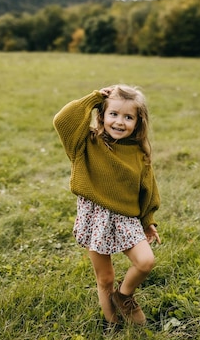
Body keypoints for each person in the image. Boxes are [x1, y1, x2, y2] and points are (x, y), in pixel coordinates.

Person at [53, 84, 161, 326]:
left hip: (126, 218)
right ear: (101, 115)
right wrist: (94, 97)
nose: (119, 122)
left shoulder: (138, 153)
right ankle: (114, 326)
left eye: (128, 117)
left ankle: (124, 296)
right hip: (96, 216)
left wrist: (148, 221)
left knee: (145, 261)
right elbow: (62, 120)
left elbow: (148, 191)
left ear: (138, 122)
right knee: (105, 278)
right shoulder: (85, 144)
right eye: (113, 114)